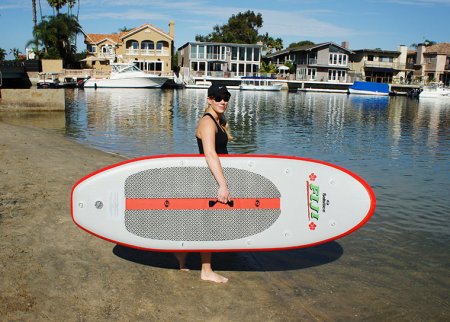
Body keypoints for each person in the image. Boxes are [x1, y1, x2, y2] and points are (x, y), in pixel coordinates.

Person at [174, 84, 232, 283]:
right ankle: (206, 271)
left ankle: (181, 254)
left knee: (202, 221)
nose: (222, 101)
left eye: (226, 97)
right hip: (210, 178)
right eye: (218, 98)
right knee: (209, 224)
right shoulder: (208, 123)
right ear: (209, 99)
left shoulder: (217, 121)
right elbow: (209, 153)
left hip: (211, 176)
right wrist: (223, 184)